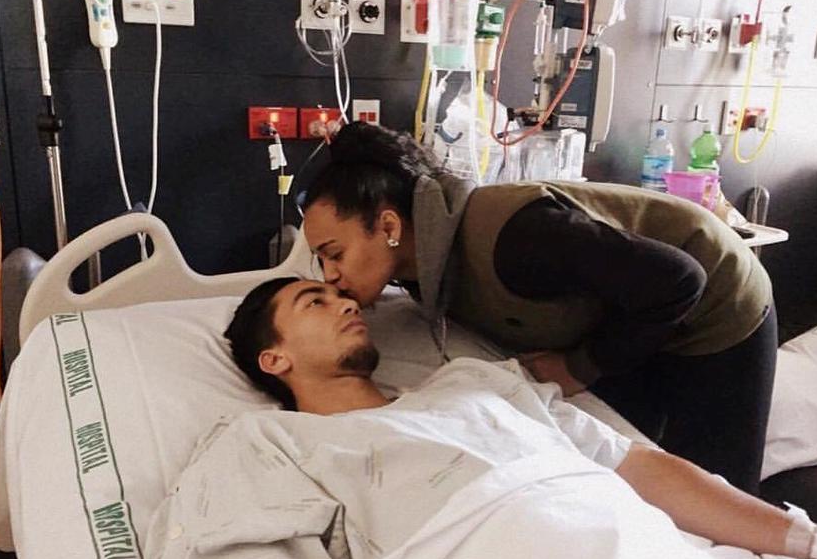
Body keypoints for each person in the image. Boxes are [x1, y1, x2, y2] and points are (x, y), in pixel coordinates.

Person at [142, 278, 817, 559]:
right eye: (314, 302)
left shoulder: (476, 383)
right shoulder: (265, 442)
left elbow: (650, 473)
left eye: (342, 296)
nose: (345, 301)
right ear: (273, 359)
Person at [300, 121, 777, 494]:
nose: (330, 275)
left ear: (389, 226)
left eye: (334, 254)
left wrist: (578, 366)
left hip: (716, 303)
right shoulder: (421, 268)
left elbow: (678, 279)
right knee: (636, 479)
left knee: (719, 491)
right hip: (629, 318)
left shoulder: (515, 237)